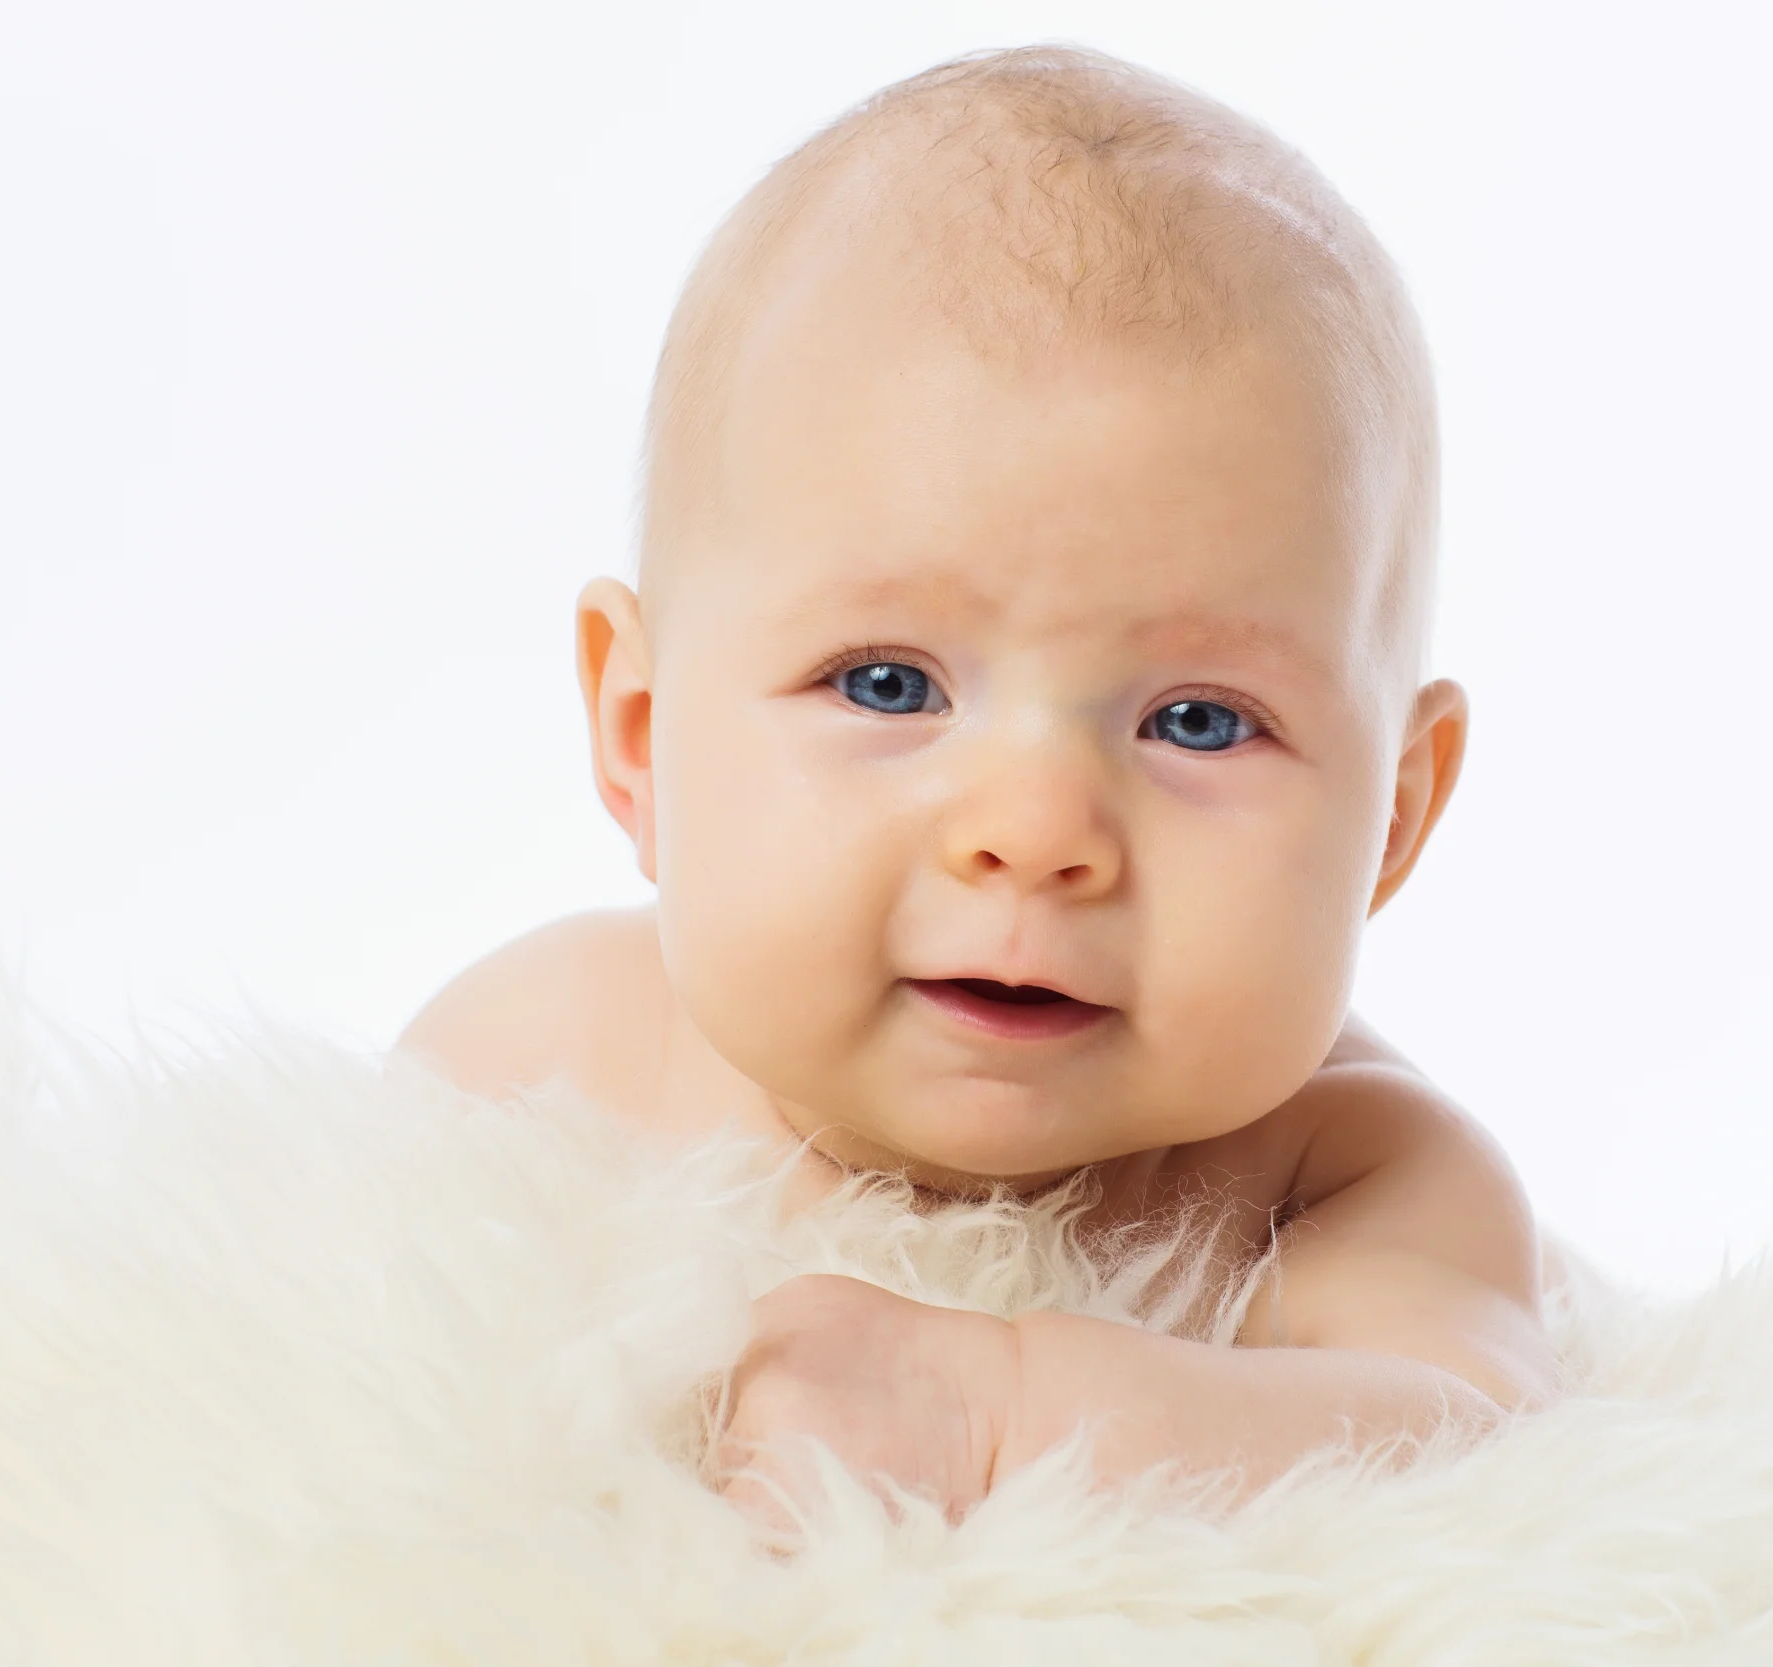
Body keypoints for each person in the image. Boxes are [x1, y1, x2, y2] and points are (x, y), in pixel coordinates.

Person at [400, 42, 1562, 1531]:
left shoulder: (1350, 1174)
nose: (1035, 833)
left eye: (1200, 721)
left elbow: (1482, 1441)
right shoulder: (538, 1052)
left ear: (1392, 819)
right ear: (637, 733)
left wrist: (1010, 1412)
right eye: (890, 685)